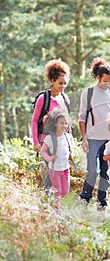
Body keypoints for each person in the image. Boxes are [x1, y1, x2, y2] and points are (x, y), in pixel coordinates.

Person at [78, 57, 110, 211]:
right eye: (105, 80)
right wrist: (84, 139)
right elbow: (82, 117)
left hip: (109, 140)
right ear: (98, 77)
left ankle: (102, 203)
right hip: (92, 139)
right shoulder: (88, 92)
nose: (107, 83)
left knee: (105, 173)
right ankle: (85, 198)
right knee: (92, 171)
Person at [31, 58, 71, 189]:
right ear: (52, 81)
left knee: (60, 171)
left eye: (65, 83)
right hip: (46, 141)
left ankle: (54, 200)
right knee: (52, 169)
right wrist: (36, 141)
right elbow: (35, 120)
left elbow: (67, 123)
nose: (62, 86)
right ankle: (48, 198)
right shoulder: (44, 98)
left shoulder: (65, 99)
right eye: (60, 83)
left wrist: (70, 144)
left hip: (61, 142)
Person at [40, 109, 74, 210]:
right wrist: (49, 158)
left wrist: (70, 154)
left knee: (65, 190)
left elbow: (69, 148)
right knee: (58, 190)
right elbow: (43, 151)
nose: (64, 126)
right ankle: (57, 209)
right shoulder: (50, 138)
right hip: (54, 170)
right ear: (55, 124)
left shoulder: (69, 137)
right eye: (61, 123)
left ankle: (58, 205)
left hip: (65, 169)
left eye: (66, 124)